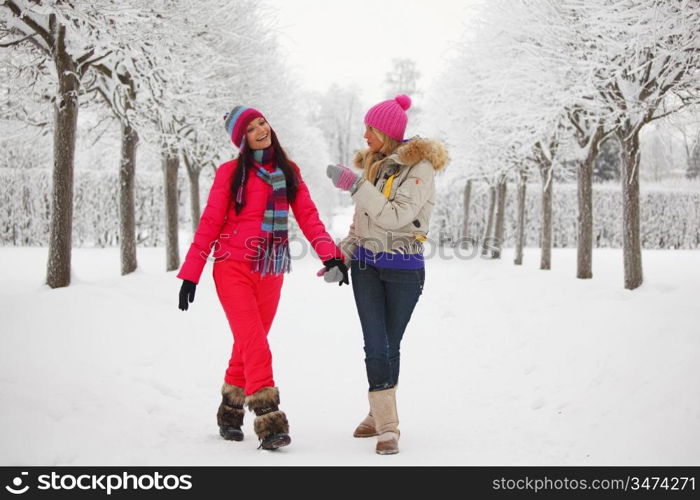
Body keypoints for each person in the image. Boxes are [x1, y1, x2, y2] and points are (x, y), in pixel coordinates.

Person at [177, 106, 348, 450]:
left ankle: (229, 412)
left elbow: (308, 217)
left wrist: (331, 255)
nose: (260, 129)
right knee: (255, 343)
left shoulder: (288, 171)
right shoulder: (230, 173)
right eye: (251, 128)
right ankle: (269, 420)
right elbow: (210, 223)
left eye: (262, 122)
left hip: (269, 271)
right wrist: (190, 274)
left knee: (246, 344)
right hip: (232, 268)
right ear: (241, 140)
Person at [326, 94, 448, 454]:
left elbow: (396, 216)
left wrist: (355, 186)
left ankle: (377, 414)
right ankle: (388, 427)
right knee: (375, 344)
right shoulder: (374, 166)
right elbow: (361, 223)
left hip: (403, 270)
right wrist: (343, 258)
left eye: (369, 128)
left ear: (386, 131)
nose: (364, 135)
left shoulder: (420, 168)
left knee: (389, 344)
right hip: (366, 267)